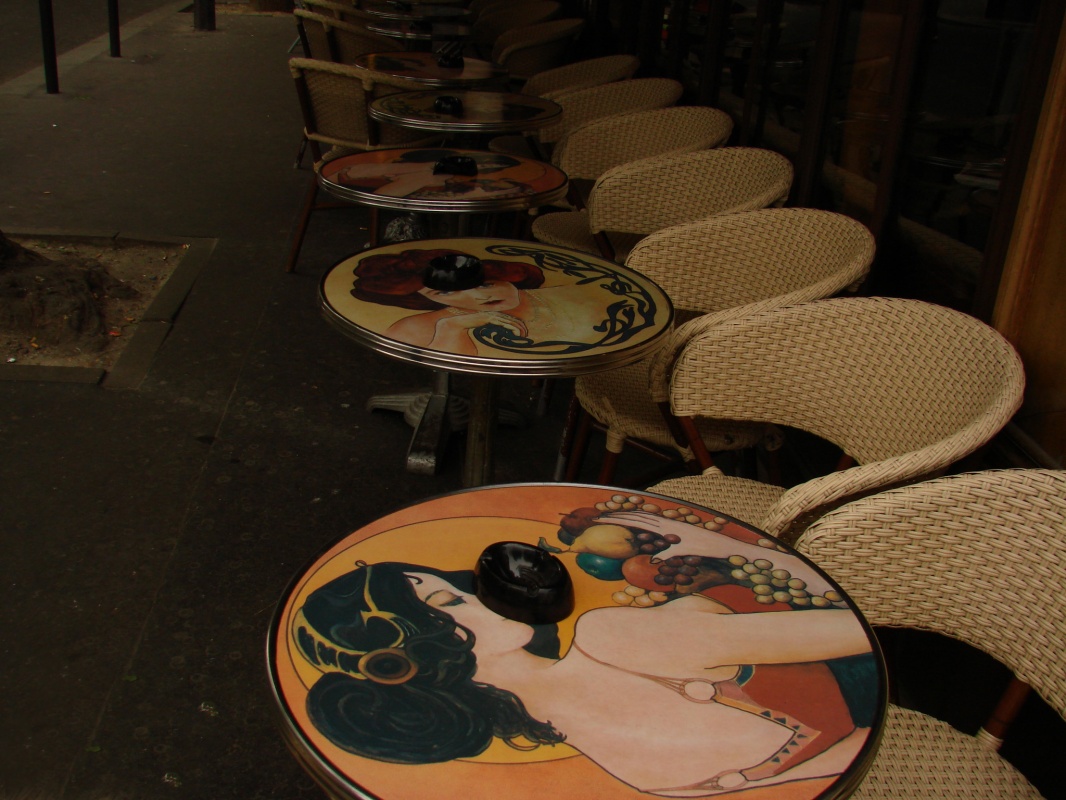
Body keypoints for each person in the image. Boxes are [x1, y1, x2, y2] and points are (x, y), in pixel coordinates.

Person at [293, 509, 878, 796]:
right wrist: (707, 545)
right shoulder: (611, 640)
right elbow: (857, 627)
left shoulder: (618, 769)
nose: (476, 594)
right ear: (424, 651)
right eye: (449, 597)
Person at [350, 247, 616, 355]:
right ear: (421, 298)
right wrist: (452, 328)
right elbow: (450, 367)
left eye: (487, 284)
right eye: (445, 293)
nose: (481, 296)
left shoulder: (576, 298)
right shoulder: (415, 327)